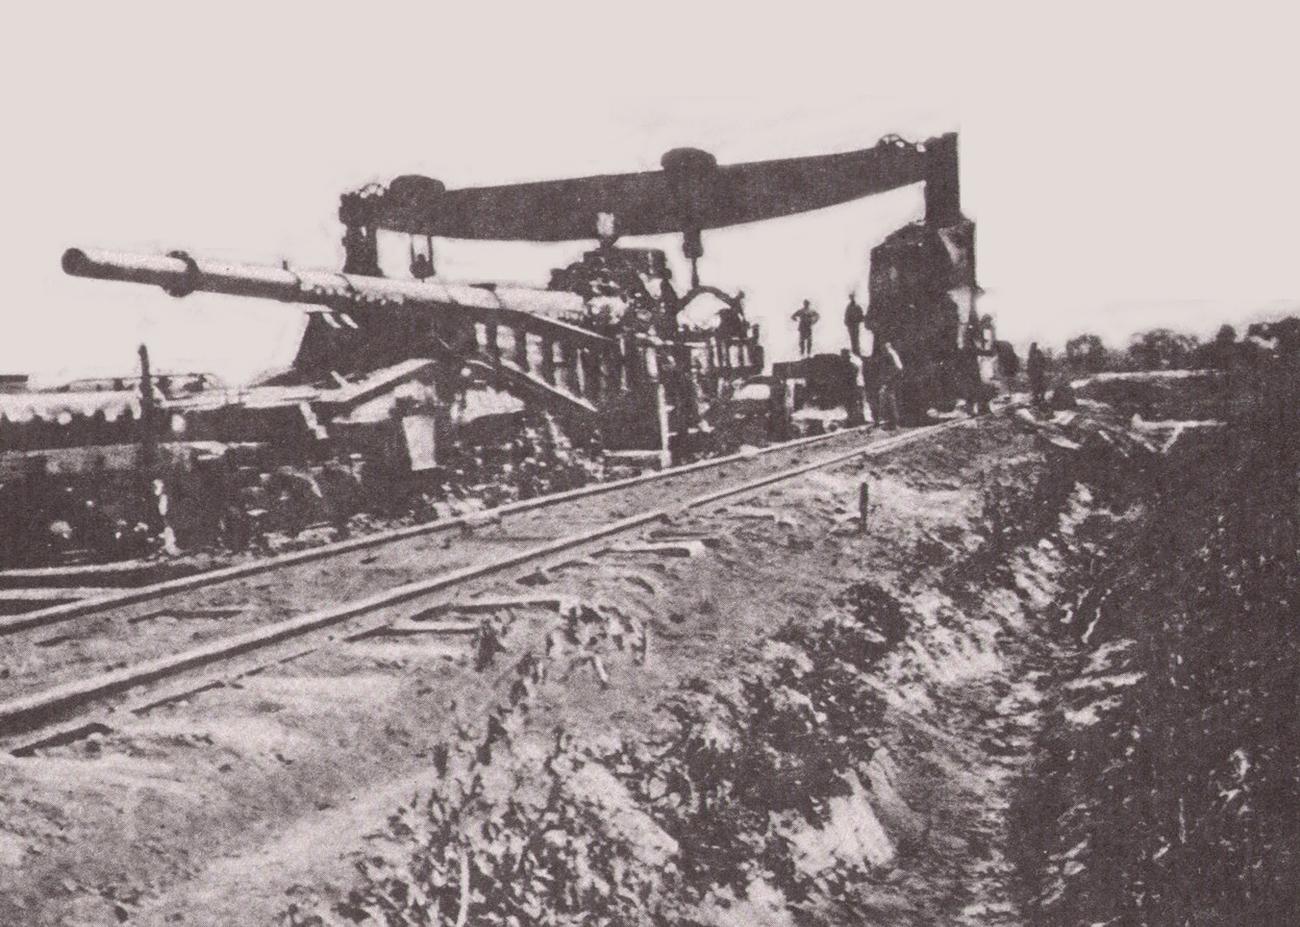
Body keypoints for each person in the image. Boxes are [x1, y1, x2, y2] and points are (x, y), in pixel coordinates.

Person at [1027, 342, 1047, 407]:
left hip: (1038, 373)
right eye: (1033, 346)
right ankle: (1037, 399)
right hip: (1034, 373)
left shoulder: (1038, 353)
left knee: (1041, 386)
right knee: (1035, 387)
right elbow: (1029, 364)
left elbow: (1043, 361)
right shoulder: (1031, 354)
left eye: (1034, 346)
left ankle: (1041, 398)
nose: (1034, 347)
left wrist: (1041, 367)